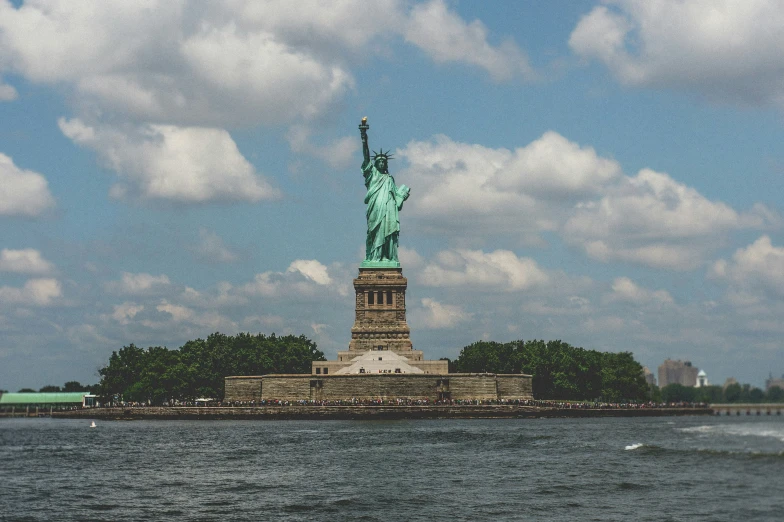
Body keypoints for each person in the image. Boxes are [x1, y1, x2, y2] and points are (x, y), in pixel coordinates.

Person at [359, 117, 410, 264]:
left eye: (383, 161)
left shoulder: (389, 179)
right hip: (375, 208)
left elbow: (397, 199)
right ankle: (375, 257)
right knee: (375, 232)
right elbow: (366, 156)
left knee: (387, 232)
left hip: (388, 210)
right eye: (379, 161)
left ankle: (387, 257)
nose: (381, 163)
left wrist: (402, 196)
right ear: (375, 163)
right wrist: (364, 138)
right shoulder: (372, 174)